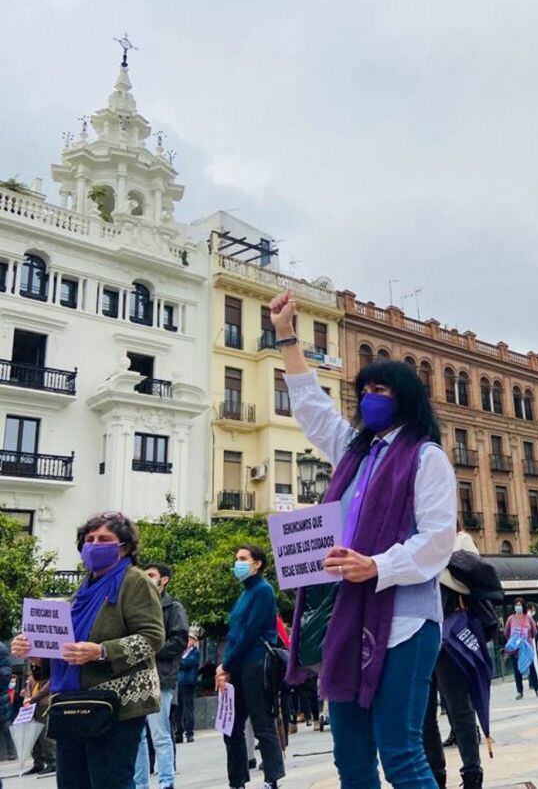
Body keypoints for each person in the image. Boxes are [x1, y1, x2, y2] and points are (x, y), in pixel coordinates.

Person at [273, 289, 456, 789]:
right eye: (366, 389)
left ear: (407, 400)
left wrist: (377, 565)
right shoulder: (354, 453)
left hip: (405, 620)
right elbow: (312, 408)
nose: (372, 398)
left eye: (384, 390)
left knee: (400, 753)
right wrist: (287, 336)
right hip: (345, 618)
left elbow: (440, 539)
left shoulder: (426, 458)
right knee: (351, 761)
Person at [11, 511, 165, 789]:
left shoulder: (135, 581)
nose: (94, 544)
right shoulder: (81, 592)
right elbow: (66, 648)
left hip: (118, 705)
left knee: (110, 783)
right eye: (89, 539)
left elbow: (152, 638)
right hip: (73, 702)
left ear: (125, 547)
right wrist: (37, 654)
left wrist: (101, 651)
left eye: (104, 539)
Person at [423, 526, 489, 789]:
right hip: (422, 634)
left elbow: (473, 579)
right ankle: (435, 774)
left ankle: (472, 773)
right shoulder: (417, 543)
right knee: (424, 714)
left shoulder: (460, 540)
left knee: (458, 707)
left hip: (450, 635)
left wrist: (433, 563)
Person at [217, 544, 285, 789]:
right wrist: (225, 666)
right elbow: (234, 633)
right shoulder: (244, 594)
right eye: (236, 558)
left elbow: (250, 632)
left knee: (262, 722)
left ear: (257, 564)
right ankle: (237, 781)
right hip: (237, 665)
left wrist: (226, 663)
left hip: (256, 663)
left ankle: (272, 779)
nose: (238, 563)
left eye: (243, 558)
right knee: (231, 728)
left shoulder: (263, 590)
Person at [134, 563, 189, 789]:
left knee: (160, 733)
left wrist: (151, 649)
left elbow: (179, 640)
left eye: (151, 575)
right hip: (137, 676)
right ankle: (140, 783)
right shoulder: (139, 605)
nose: (146, 579)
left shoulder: (174, 607)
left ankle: (167, 781)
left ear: (164, 580)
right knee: (137, 735)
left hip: (161, 676)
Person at [504, 598, 538, 700]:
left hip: (526, 649)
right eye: (516, 605)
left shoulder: (528, 618)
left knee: (532, 669)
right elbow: (506, 632)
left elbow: (534, 632)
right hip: (515, 649)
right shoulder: (510, 619)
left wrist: (527, 640)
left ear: (523, 606)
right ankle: (519, 691)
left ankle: (537, 688)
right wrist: (513, 641)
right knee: (517, 671)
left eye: (520, 604)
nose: (518, 606)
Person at [175, 629, 201, 743]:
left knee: (188, 708)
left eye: (190, 639)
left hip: (188, 683)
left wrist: (178, 662)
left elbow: (186, 663)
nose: (188, 641)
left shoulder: (195, 652)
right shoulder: (181, 652)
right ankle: (178, 733)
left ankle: (189, 733)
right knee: (178, 709)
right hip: (178, 683)